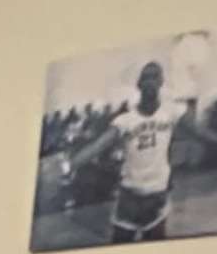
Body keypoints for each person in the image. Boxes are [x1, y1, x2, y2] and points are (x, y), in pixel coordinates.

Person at [75, 57, 185, 243]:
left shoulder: (171, 112)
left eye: (155, 77)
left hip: (157, 195)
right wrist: (73, 162)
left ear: (161, 82)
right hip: (130, 197)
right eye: (146, 77)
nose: (150, 81)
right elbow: (100, 144)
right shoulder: (125, 120)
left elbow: (200, 131)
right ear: (139, 84)